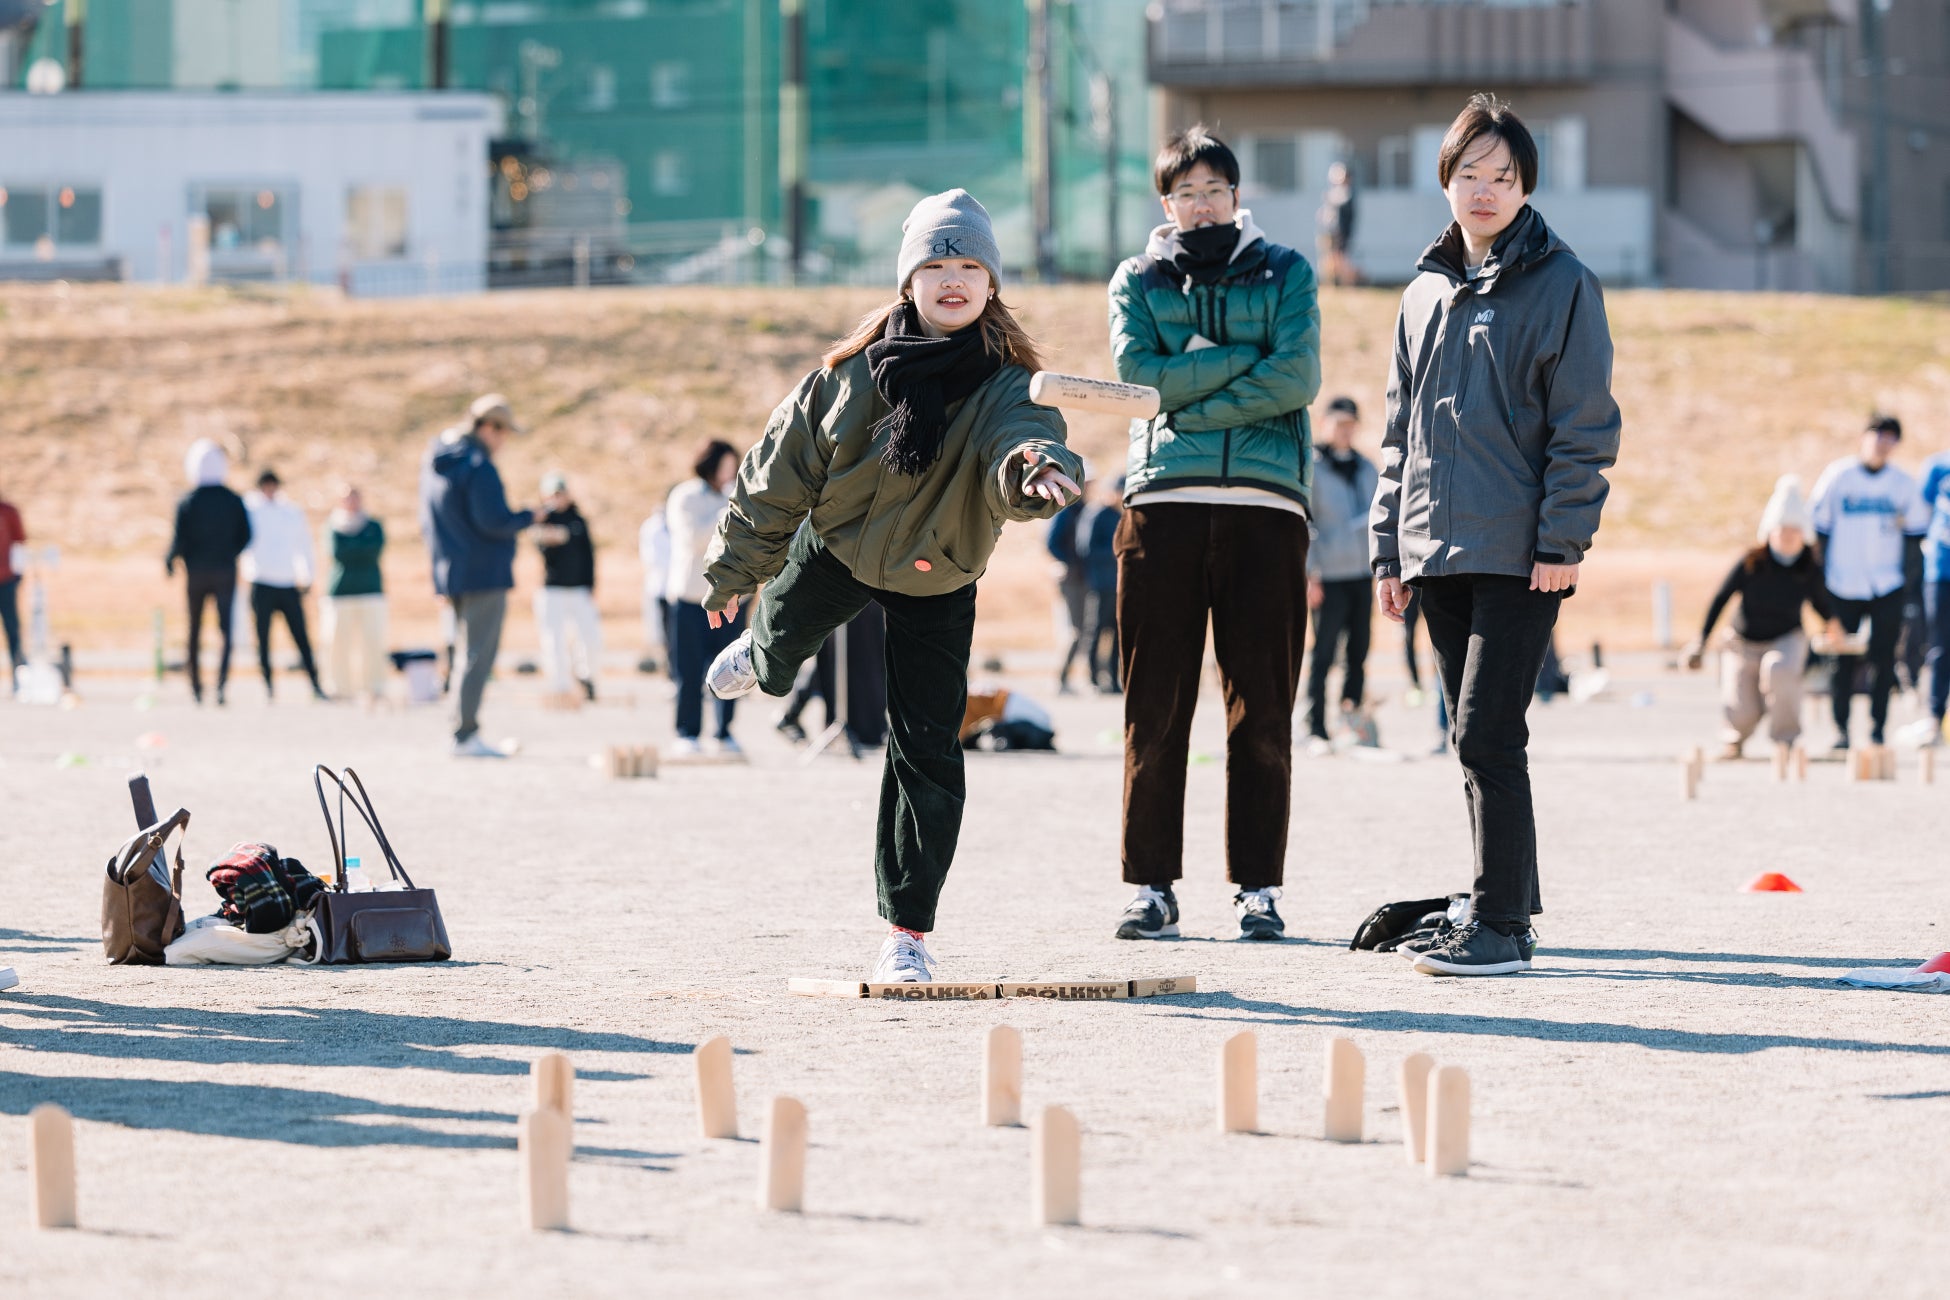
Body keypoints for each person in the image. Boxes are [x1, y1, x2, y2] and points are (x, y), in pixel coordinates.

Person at [699, 189, 1083, 982]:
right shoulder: (847, 378)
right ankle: (763, 657)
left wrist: (1034, 471)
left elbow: (1024, 442)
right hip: (840, 545)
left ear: (991, 283)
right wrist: (733, 573)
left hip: (938, 573)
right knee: (776, 652)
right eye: (936, 263)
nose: (953, 279)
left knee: (927, 747)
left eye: (970, 264)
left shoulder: (1010, 384)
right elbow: (774, 477)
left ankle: (906, 930)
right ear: (907, 280)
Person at [1371, 93, 1622, 977]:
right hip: (1434, 550)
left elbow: (1584, 425)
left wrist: (1563, 541)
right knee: (1470, 738)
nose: (1483, 189)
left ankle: (1503, 929)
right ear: (1446, 181)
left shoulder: (1563, 284)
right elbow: (1399, 431)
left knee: (1487, 734)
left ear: (1526, 187)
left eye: (1502, 176)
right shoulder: (1421, 292)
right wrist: (1387, 548)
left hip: (1522, 555)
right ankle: (1500, 902)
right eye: (1468, 173)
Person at [1107, 125, 1321, 943]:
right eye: (1185, 192)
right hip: (1160, 503)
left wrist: (1189, 389)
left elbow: (1298, 375)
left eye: (1214, 189)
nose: (1202, 203)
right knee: (1152, 706)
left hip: (1268, 508)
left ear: (1237, 194)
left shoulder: (1288, 270)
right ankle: (1150, 886)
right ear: (1168, 203)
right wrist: (1245, 362)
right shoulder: (1138, 277)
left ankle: (1258, 888)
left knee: (1262, 708)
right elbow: (1136, 381)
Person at [420, 392, 537, 758]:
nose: (502, 443)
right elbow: (494, 520)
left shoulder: (436, 460)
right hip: (484, 572)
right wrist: (529, 516)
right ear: (488, 427)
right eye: (502, 433)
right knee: (477, 656)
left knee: (461, 656)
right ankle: (465, 734)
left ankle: (459, 729)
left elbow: (428, 522)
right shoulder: (478, 465)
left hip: (451, 570)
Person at [1684, 475, 1835, 759]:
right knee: (1742, 706)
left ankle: (1785, 741)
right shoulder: (1751, 561)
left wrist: (1834, 626)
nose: (1788, 537)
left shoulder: (1808, 566)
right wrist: (1701, 641)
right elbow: (1720, 599)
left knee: (1779, 671)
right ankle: (1734, 740)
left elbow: (1822, 603)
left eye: (1794, 531)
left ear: (1804, 535)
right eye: (1782, 531)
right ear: (1769, 532)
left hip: (1786, 638)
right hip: (1742, 641)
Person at [1808, 414, 1930, 752]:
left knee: (1882, 658)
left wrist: (1908, 584)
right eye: (1877, 434)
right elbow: (1818, 529)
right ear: (1864, 437)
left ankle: (1877, 730)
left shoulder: (1902, 484)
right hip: (1842, 582)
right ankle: (1841, 731)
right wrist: (1818, 583)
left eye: (1890, 437)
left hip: (1885, 583)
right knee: (1841, 658)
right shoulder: (1839, 476)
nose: (1882, 442)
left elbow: (1916, 534)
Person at [1304, 395, 1380, 754]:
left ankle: (1351, 722)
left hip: (1361, 575)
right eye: (1338, 423)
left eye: (1351, 424)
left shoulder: (1367, 468)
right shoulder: (1313, 468)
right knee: (1323, 653)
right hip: (1327, 577)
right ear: (1324, 424)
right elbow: (1307, 523)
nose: (1345, 430)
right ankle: (1315, 726)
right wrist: (1310, 574)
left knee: (1359, 651)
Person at [666, 441, 745, 758]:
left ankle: (724, 732)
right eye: (725, 465)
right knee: (688, 669)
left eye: (733, 465)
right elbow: (694, 539)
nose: (730, 472)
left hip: (731, 598)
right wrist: (727, 510)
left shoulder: (739, 495)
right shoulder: (686, 496)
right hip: (690, 596)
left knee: (733, 667)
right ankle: (687, 733)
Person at [166, 439, 252, 705]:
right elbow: (247, 535)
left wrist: (172, 561)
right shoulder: (233, 500)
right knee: (225, 629)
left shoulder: (188, 501)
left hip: (197, 572)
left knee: (194, 628)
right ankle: (220, 685)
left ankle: (196, 686)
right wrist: (229, 554)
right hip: (225, 570)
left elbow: (177, 540)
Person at [244, 469, 326, 701]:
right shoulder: (250, 510)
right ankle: (268, 687)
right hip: (260, 581)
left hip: (287, 582)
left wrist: (307, 576)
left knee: (301, 636)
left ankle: (315, 683)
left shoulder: (290, 511)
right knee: (263, 639)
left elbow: (304, 545)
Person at [1048, 477, 1123, 694]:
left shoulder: (1118, 515)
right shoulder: (1094, 513)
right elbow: (1084, 548)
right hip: (1096, 582)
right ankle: (1091, 679)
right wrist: (1115, 552)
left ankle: (1113, 680)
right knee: (1090, 630)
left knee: (1115, 632)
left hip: (1115, 583)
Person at [533, 470, 601, 702]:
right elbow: (541, 547)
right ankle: (559, 684)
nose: (557, 498)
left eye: (560, 493)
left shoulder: (578, 520)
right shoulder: (543, 521)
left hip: (579, 588)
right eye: (552, 494)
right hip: (553, 589)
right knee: (553, 639)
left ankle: (585, 676)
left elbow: (589, 555)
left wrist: (591, 584)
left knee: (589, 637)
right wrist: (546, 532)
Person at [1902, 443, 1950, 749]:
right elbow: (1921, 512)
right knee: (1940, 645)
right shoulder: (1938, 466)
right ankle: (1933, 718)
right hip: (1941, 570)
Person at [322, 484, 388, 706]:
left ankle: (374, 686)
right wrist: (359, 547)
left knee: (373, 641)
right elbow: (338, 553)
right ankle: (339, 686)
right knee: (337, 642)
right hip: (341, 591)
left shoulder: (374, 525)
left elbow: (374, 551)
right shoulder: (333, 525)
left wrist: (354, 548)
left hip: (370, 589)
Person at [638, 505, 671, 674]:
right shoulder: (652, 527)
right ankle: (670, 673)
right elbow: (651, 558)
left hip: (679, 589)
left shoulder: (679, 520)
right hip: (661, 588)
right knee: (665, 635)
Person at [1315, 160, 1357, 287]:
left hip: (1341, 232)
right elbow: (1324, 214)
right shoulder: (1333, 193)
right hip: (1329, 231)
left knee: (1341, 259)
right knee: (1329, 260)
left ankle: (1344, 284)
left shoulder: (1346, 194)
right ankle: (1330, 284)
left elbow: (1346, 216)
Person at [0, 487, 25, 690]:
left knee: (12, 629)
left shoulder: (8, 511)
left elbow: (19, 542)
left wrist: (18, 574)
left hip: (5, 579)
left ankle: (20, 677)